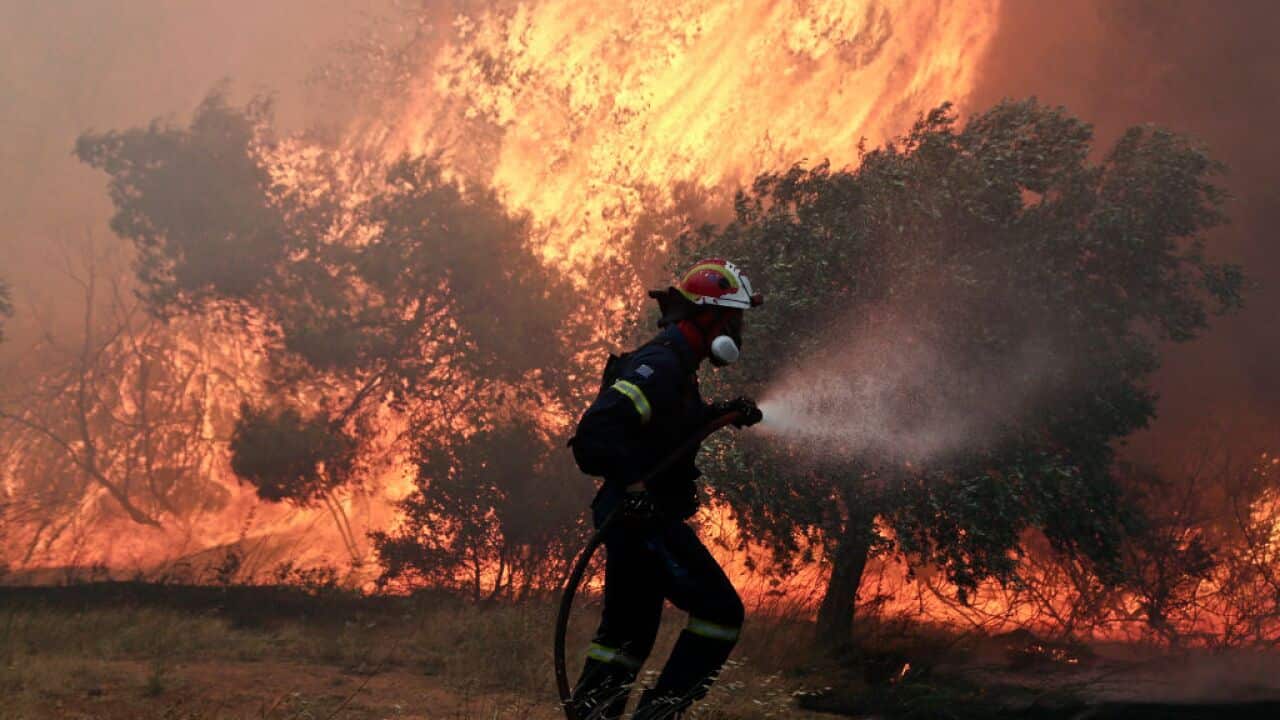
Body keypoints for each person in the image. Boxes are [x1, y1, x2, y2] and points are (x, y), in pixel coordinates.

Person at [567, 258, 765, 720]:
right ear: (707, 317)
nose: (737, 331)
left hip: (637, 516)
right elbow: (596, 435)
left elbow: (666, 431)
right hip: (638, 519)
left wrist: (721, 415)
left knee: (626, 639)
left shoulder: (680, 366)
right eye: (733, 319)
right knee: (719, 613)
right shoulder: (660, 365)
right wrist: (636, 487)